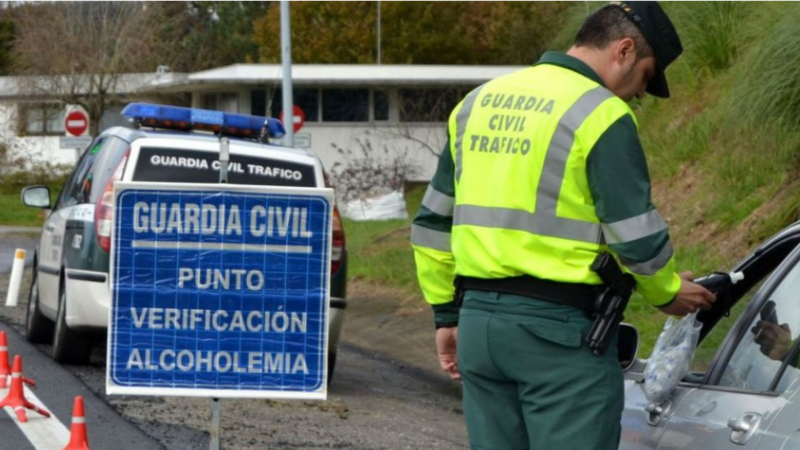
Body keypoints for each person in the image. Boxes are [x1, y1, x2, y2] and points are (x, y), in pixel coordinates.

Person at [410, 2, 717, 449]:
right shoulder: (602, 114)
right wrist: (667, 291)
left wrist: (446, 314)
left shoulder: (475, 103)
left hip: (479, 330)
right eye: (647, 78)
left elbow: (432, 223)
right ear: (625, 50)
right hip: (557, 340)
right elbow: (633, 233)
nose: (638, 95)